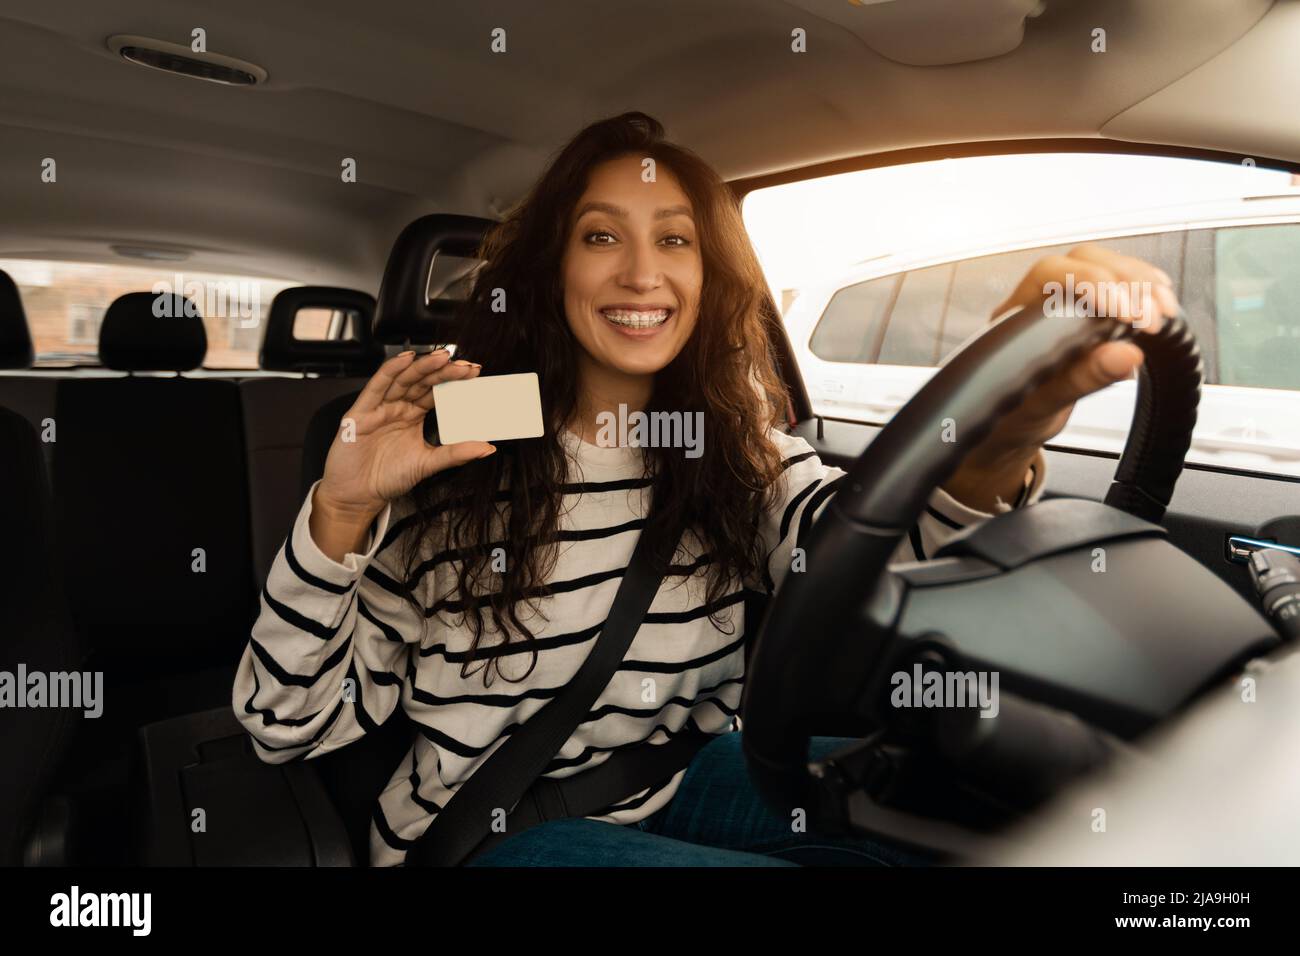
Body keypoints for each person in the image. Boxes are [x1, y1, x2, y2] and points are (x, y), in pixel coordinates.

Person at [232, 111, 1177, 866]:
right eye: (601, 236)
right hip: (496, 833)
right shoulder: (465, 442)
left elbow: (870, 554)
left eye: (675, 240)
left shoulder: (735, 447)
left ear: (709, 274)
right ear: (552, 269)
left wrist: (1003, 424)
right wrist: (342, 512)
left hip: (689, 779)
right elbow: (284, 727)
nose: (642, 272)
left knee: (965, 826)